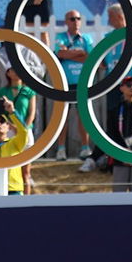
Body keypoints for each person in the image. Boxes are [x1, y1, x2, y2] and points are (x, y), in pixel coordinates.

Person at [53, 10, 94, 162]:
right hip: (64, 81)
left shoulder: (87, 38)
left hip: (82, 82)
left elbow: (90, 58)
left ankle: (85, 147)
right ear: (66, 21)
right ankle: (61, 148)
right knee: (62, 116)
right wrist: (79, 53)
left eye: (78, 18)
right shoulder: (61, 37)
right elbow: (60, 54)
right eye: (72, 19)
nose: (75, 21)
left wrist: (71, 53)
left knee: (83, 115)